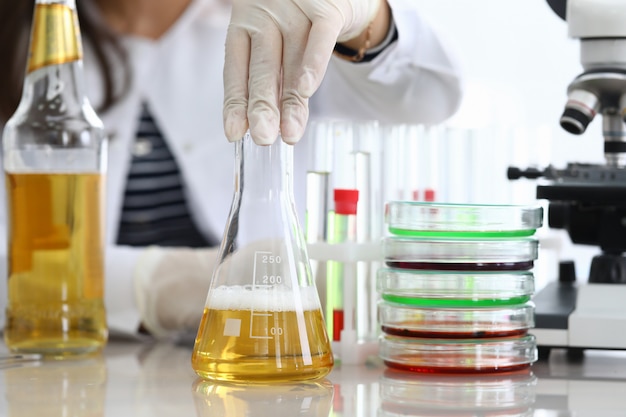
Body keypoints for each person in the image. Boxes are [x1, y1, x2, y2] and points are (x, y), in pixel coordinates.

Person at [0, 0, 462, 340]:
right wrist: (150, 283)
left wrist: (366, 19)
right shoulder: (30, 38)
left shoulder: (273, 11)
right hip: (70, 369)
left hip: (264, 359)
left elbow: (431, 97)